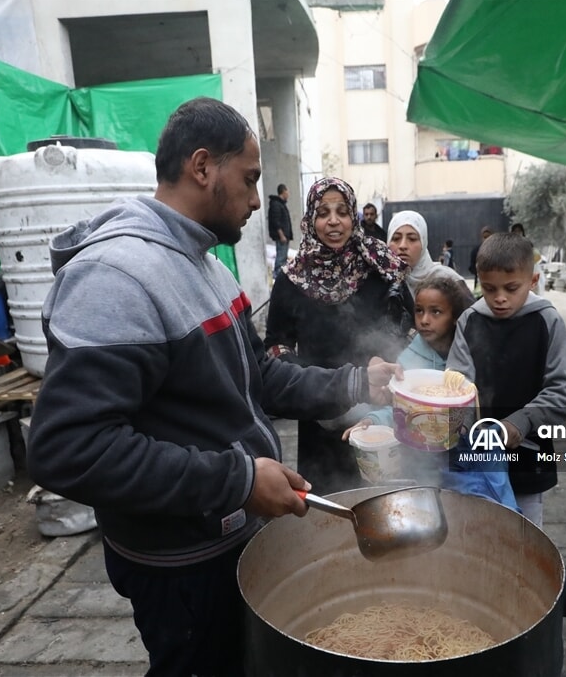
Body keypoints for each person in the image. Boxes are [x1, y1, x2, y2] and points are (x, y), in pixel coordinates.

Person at [26, 98, 401, 677]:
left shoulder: (207, 265)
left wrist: (356, 382)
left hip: (229, 540)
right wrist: (239, 479)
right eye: (250, 179)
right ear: (203, 167)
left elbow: (258, 374)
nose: (258, 200)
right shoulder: (115, 277)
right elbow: (69, 448)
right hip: (179, 566)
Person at [264, 177, 409, 493]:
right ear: (310, 220)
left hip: (376, 409)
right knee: (330, 510)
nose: (333, 221)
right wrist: (307, 386)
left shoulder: (377, 268)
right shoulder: (292, 279)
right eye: (323, 212)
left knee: (382, 497)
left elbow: (403, 326)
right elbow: (276, 346)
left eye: (342, 212)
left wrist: (383, 355)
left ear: (353, 216)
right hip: (318, 411)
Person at [344, 274, 520, 510]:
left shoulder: (471, 354)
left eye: (436, 312)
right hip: (422, 462)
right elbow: (397, 407)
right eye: (419, 311)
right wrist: (371, 420)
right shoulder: (409, 359)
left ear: (455, 318)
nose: (424, 320)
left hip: (468, 458)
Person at [447, 232, 566, 528]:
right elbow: (457, 384)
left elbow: (562, 391)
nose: (500, 298)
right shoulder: (470, 321)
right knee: (478, 534)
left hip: (528, 457)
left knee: (524, 539)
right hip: (475, 459)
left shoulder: (547, 321)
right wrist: (459, 426)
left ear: (532, 282)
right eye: (489, 289)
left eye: (511, 288)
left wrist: (520, 423)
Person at [387, 210, 466, 324]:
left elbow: (471, 327)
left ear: (423, 243)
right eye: (396, 238)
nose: (403, 245)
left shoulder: (447, 279)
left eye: (412, 238)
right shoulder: (381, 281)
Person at [267, 183, 292, 279]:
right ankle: (278, 277)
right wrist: (281, 235)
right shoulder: (276, 204)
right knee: (281, 258)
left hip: (285, 236)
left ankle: (282, 277)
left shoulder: (281, 204)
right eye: (287, 191)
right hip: (282, 237)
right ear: (283, 191)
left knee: (283, 258)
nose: (288, 194)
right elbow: (276, 221)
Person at [468, 226, 493, 290]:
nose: (487, 239)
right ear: (482, 238)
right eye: (485, 237)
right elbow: (471, 266)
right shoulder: (476, 250)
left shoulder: (498, 250)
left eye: (488, 237)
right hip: (480, 281)